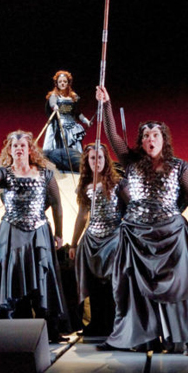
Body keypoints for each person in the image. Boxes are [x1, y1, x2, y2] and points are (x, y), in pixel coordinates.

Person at [95, 87, 188, 355]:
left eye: (155, 135)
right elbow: (112, 135)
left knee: (180, 287)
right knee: (133, 290)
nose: (150, 139)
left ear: (164, 139)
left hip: (171, 234)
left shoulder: (180, 166)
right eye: (146, 135)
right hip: (136, 236)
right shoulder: (131, 162)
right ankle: (139, 338)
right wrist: (106, 104)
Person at [0, 130, 69, 343]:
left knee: (43, 278)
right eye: (14, 146)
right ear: (9, 150)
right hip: (12, 232)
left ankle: (50, 329)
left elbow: (56, 204)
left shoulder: (45, 174)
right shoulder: (3, 173)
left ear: (30, 149)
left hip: (39, 232)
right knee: (11, 276)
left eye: (22, 146)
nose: (18, 149)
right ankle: (8, 329)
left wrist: (59, 233)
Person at [69, 142, 124, 336]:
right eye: (93, 158)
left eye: (100, 157)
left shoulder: (117, 183)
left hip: (114, 238)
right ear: (87, 161)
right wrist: (74, 243)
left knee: (113, 283)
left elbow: (129, 209)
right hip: (91, 239)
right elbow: (82, 215)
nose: (97, 161)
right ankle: (96, 324)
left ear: (105, 159)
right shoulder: (84, 186)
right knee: (93, 285)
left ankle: (115, 324)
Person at [42, 70, 91, 172]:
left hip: (72, 127)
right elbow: (52, 103)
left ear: (68, 83)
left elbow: (77, 112)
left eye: (65, 81)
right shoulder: (54, 95)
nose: (62, 83)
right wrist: (54, 106)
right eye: (60, 82)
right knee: (58, 148)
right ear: (57, 83)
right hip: (59, 126)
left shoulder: (73, 97)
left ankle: (75, 167)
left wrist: (86, 120)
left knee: (74, 150)